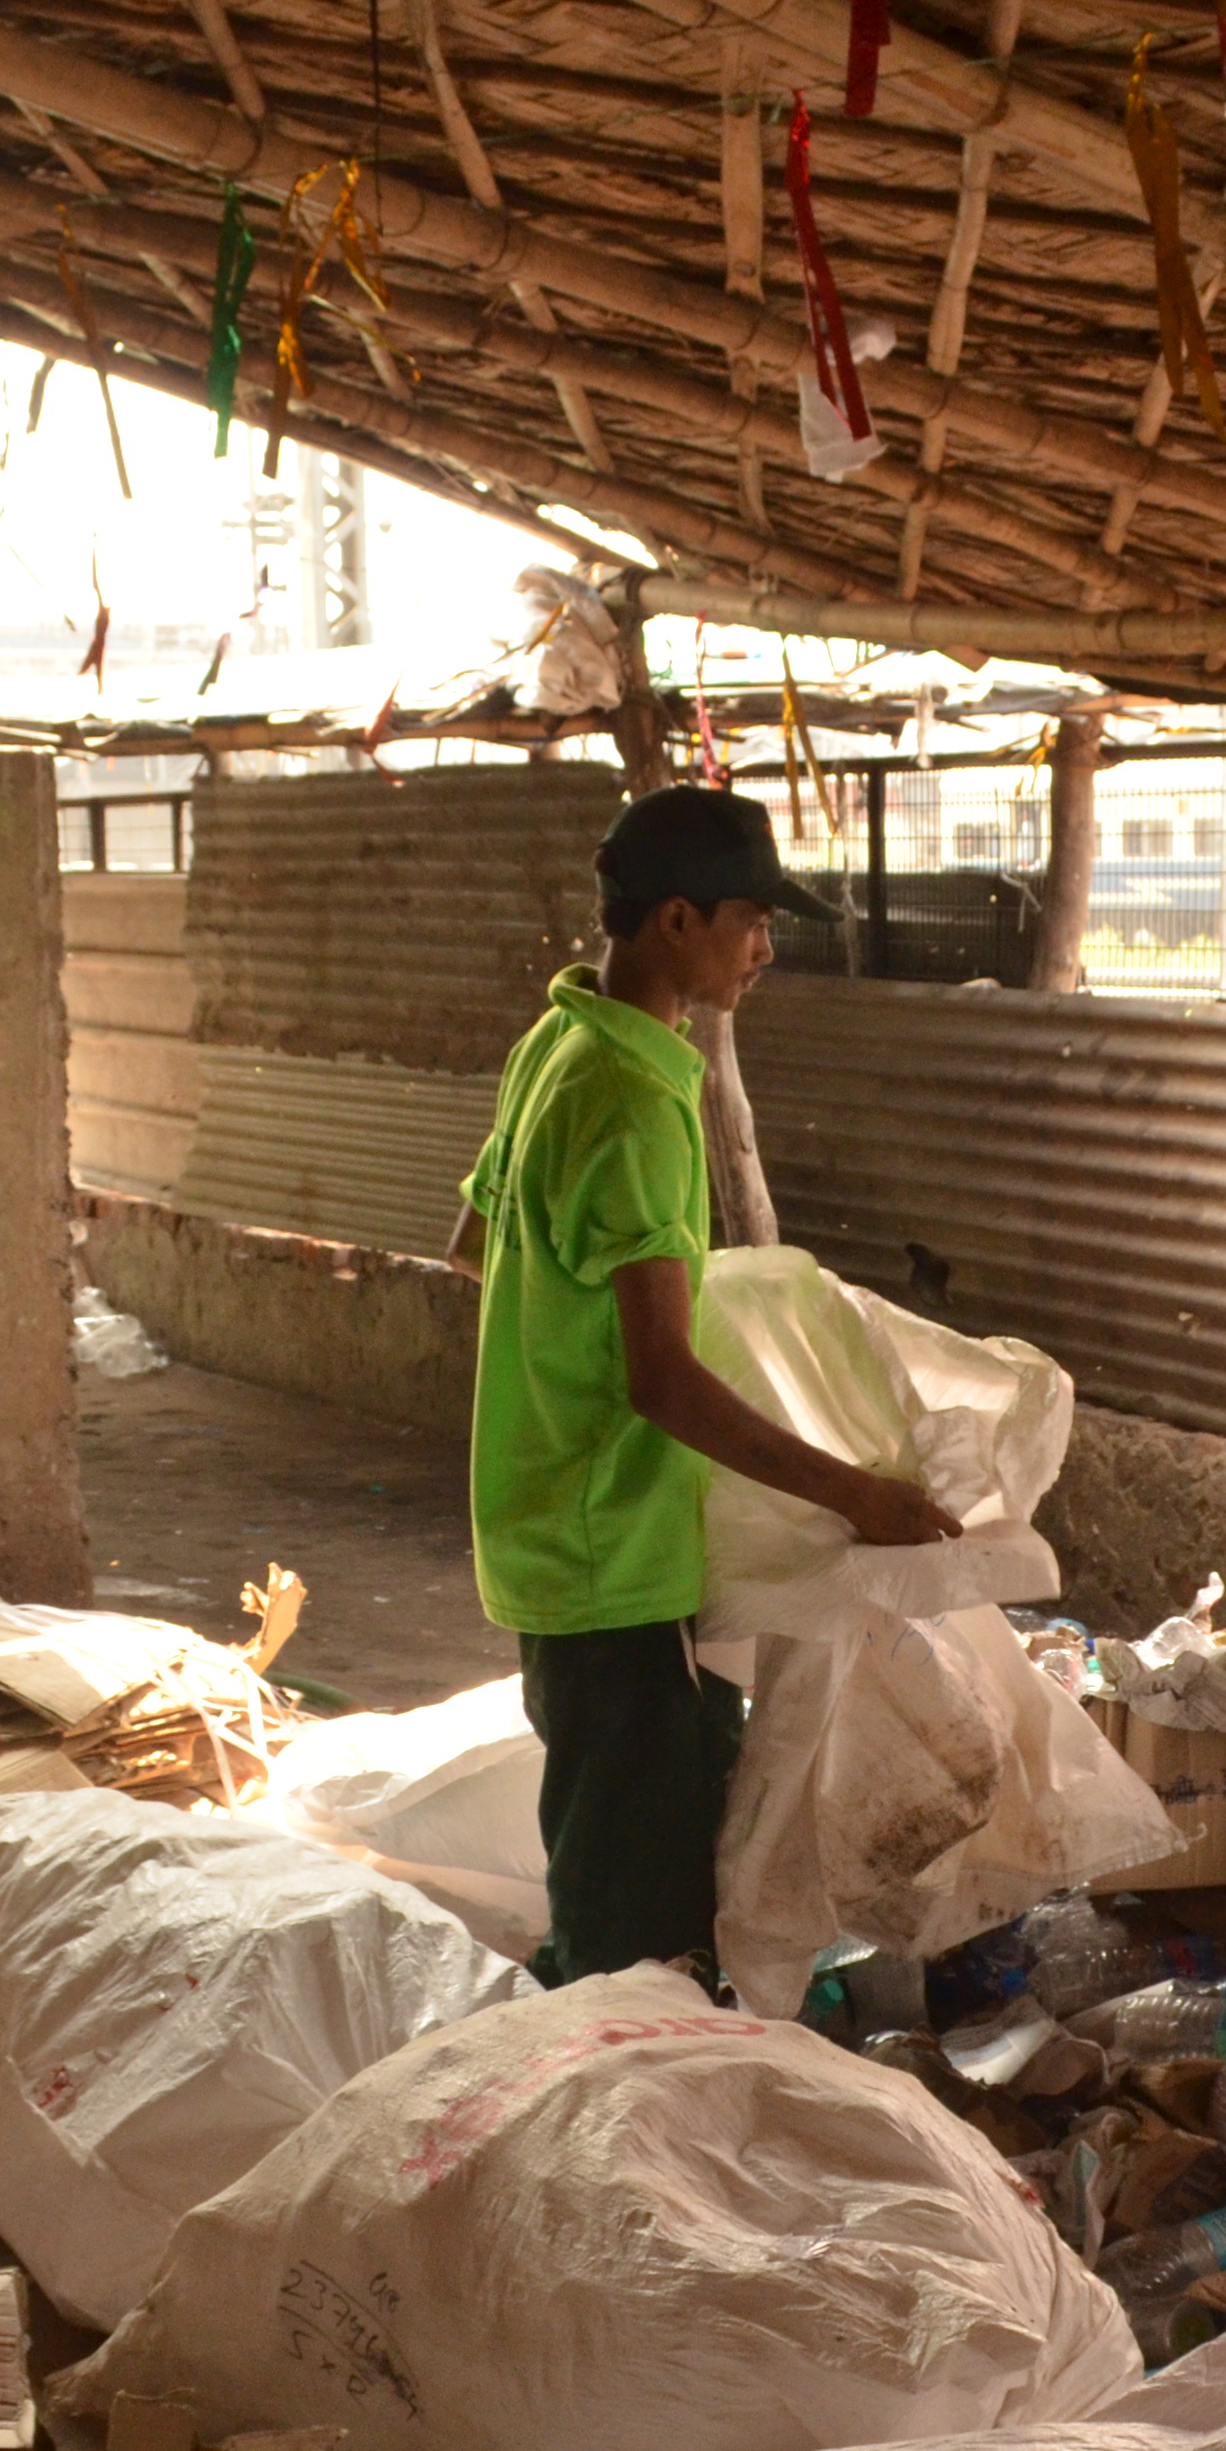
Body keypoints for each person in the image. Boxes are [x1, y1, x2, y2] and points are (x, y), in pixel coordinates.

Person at [448, 785, 961, 1986]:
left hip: (543, 1513)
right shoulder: (633, 1097)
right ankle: (605, 2098)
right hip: (607, 1546)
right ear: (675, 919)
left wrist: (566, 1347)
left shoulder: (560, 1043)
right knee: (639, 1907)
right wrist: (854, 1495)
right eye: (750, 920)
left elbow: (478, 1244)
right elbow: (663, 1383)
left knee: (629, 1822)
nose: (765, 950)